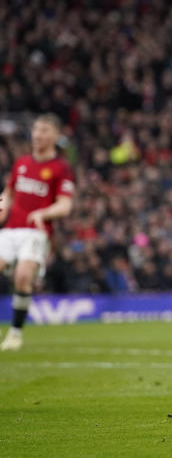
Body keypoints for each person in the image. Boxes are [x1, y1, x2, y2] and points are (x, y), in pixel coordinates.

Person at [0, 114, 75, 351]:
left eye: (44, 130)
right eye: (35, 130)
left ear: (55, 135)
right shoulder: (21, 163)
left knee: (23, 277)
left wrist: (43, 213)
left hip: (36, 233)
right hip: (11, 229)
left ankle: (14, 333)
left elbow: (66, 205)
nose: (37, 135)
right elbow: (8, 193)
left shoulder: (61, 168)